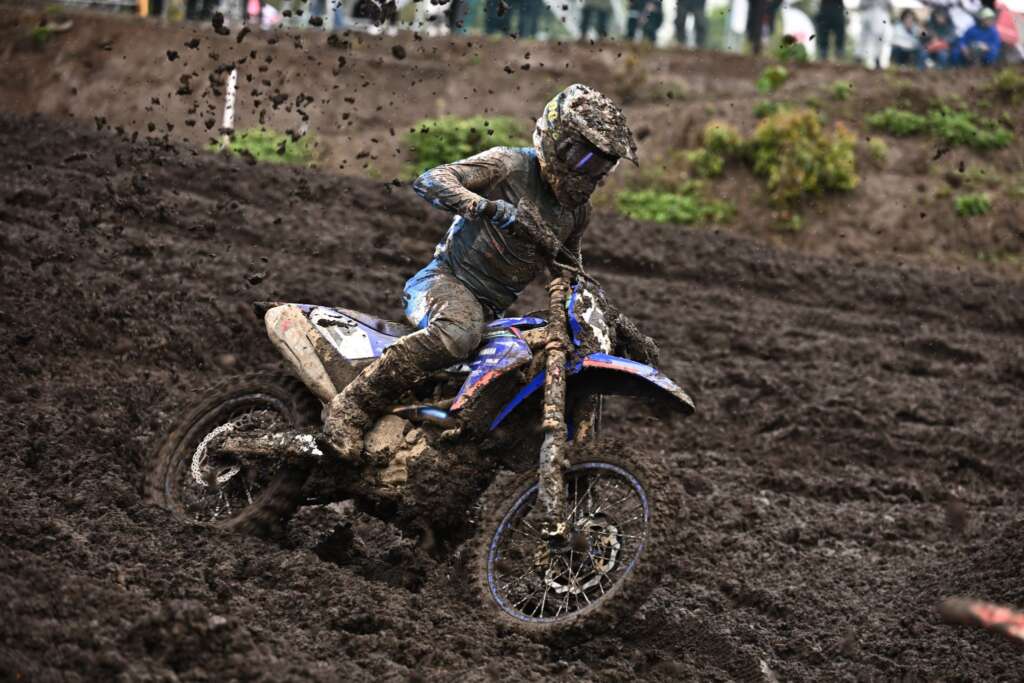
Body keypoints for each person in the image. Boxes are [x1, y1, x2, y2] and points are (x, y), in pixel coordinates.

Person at [323, 85, 639, 460]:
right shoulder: (510, 165)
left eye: (601, 166)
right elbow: (432, 179)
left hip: (491, 312)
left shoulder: (576, 213)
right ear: (558, 139)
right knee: (459, 331)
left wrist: (610, 319)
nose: (589, 173)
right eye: (583, 158)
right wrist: (487, 208)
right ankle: (351, 408)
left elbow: (568, 268)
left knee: (527, 365)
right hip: (443, 282)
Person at [859, 0, 893, 68]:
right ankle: (860, 57)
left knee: (878, 38)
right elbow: (861, 5)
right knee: (864, 38)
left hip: (880, 14)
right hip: (867, 12)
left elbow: (890, 6)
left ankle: (877, 59)